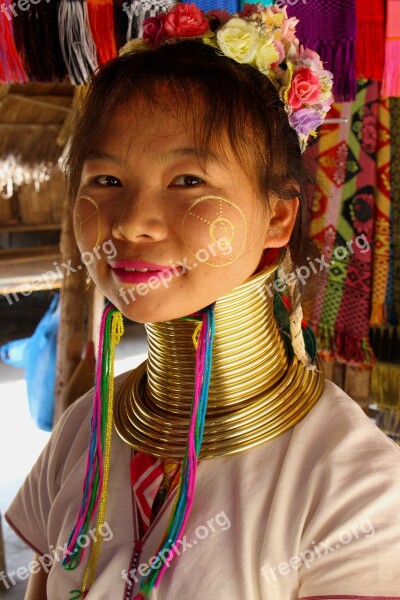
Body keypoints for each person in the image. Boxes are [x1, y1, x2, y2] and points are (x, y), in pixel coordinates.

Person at [5, 3, 400, 599]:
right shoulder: (84, 425)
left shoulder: (356, 487)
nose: (132, 223)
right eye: (105, 181)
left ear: (278, 215)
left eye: (188, 181)